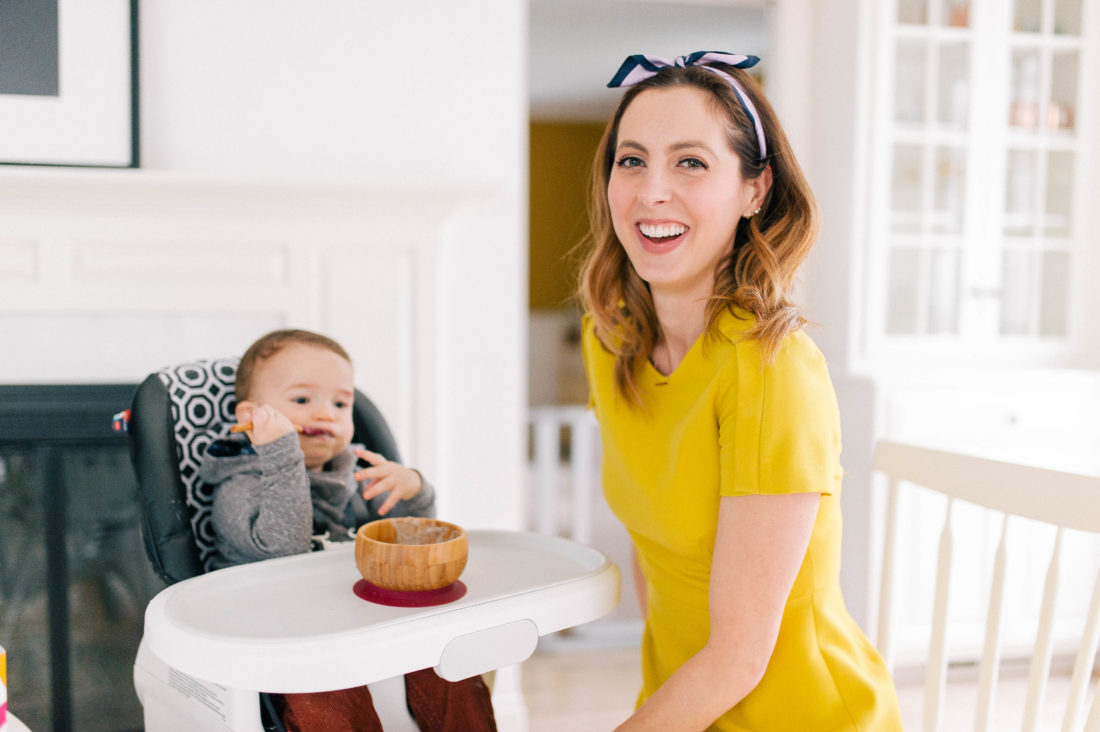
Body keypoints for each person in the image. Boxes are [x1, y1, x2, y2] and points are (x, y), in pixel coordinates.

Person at [578, 52, 902, 731]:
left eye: (690, 162)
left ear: (755, 190)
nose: (650, 192)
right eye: (631, 160)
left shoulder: (771, 371)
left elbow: (738, 657)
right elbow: (655, 558)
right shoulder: (610, 341)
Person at [200, 328, 495, 732]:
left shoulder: (351, 475)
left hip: (353, 623)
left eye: (341, 403)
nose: (326, 414)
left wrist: (413, 489)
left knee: (451, 665)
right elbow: (282, 552)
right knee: (328, 688)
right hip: (281, 638)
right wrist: (283, 455)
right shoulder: (238, 487)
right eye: (303, 400)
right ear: (251, 416)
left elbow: (409, 538)